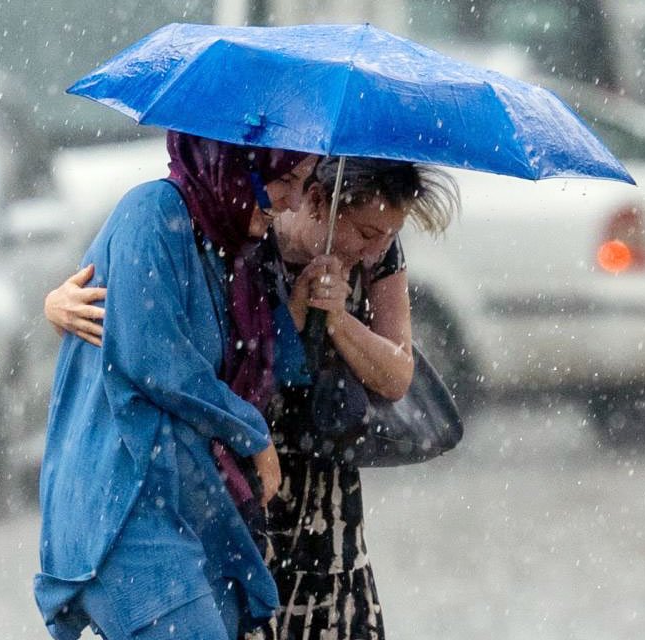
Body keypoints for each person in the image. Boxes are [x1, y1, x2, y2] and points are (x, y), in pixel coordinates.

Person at [44, 156, 459, 639]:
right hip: (237, 471)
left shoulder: (375, 253)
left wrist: (337, 317)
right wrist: (58, 309)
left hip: (317, 478)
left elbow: (396, 374)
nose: (377, 249)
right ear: (320, 203)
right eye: (367, 233)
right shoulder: (240, 228)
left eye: (389, 235)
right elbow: (160, 336)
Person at [34, 130, 317, 640]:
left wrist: (317, 302)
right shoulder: (152, 213)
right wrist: (251, 433)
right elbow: (156, 360)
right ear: (235, 162)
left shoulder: (232, 245)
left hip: (194, 506)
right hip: (124, 509)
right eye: (286, 179)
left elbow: (262, 362)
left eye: (306, 182)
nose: (294, 201)